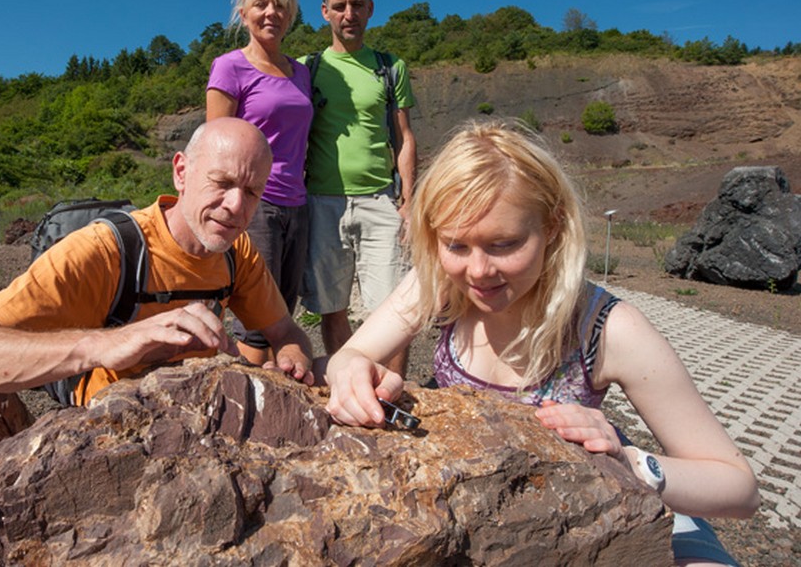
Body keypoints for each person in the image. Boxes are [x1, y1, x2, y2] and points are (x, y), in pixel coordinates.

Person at [325, 120, 760, 566]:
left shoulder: (606, 327)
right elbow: (348, 357)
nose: (477, 271)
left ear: (552, 227)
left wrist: (629, 463)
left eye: (503, 244)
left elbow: (740, 488)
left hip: (591, 498)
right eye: (456, 244)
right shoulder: (439, 284)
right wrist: (350, 375)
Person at [0, 118, 314, 405]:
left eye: (252, 192)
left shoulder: (235, 251)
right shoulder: (107, 250)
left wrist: (294, 361)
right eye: (222, 183)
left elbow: (285, 333)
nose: (236, 207)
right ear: (181, 172)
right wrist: (104, 344)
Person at [301, 0, 417, 374]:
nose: (348, 13)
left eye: (356, 4)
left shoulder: (390, 67)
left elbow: (402, 137)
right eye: (339, 6)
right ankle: (348, 387)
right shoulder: (306, 69)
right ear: (325, 12)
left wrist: (407, 202)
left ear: (370, 9)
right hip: (321, 203)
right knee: (332, 308)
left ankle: (392, 391)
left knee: (394, 311)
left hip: (380, 202)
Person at [206, 0, 312, 366]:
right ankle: (243, 407)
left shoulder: (301, 72)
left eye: (280, 5)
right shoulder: (230, 66)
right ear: (243, 13)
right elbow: (215, 142)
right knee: (254, 318)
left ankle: (275, 407)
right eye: (261, 4)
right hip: (255, 205)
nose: (272, 13)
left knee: (284, 312)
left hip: (298, 204)